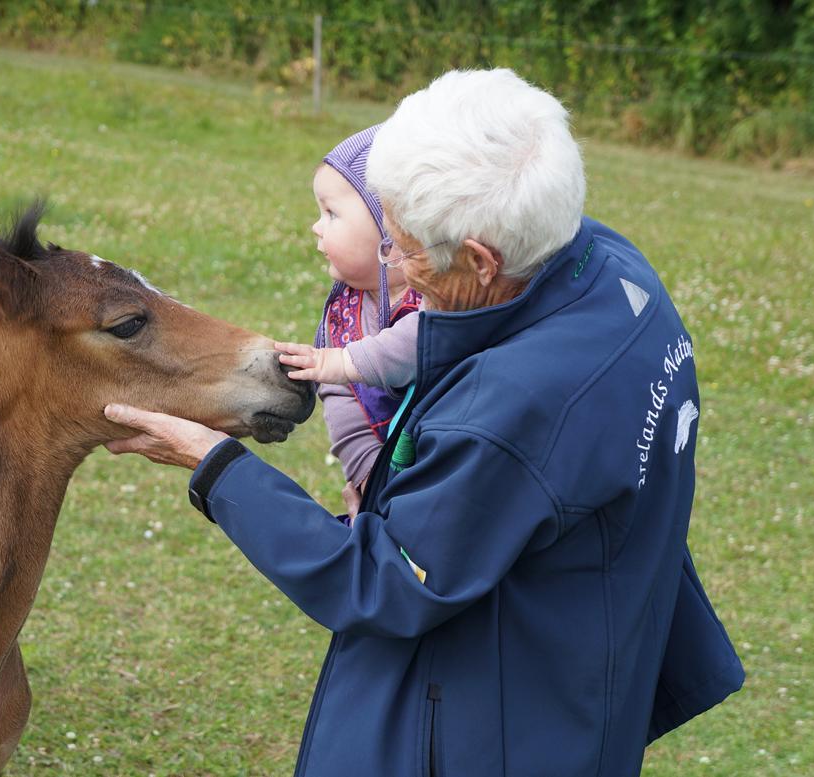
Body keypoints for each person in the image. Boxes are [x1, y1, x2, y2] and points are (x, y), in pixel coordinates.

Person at [103, 68, 744, 776]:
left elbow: (380, 580)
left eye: (405, 250)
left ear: (480, 258)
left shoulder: (509, 412)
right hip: (579, 677)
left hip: (494, 734)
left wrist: (215, 466)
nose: (395, 271)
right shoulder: (613, 271)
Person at [305, 125, 423, 517]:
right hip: (388, 481)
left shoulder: (440, 295)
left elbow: (421, 343)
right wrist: (368, 473)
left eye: (331, 213)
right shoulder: (344, 314)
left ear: (393, 229)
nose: (316, 227)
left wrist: (346, 363)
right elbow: (341, 400)